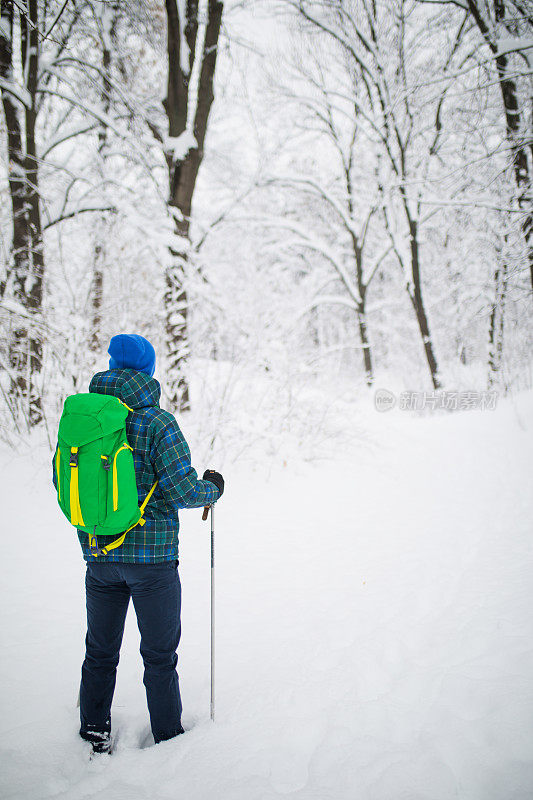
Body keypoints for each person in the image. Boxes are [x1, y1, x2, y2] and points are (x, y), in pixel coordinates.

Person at [70, 333, 224, 754]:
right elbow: (181, 491)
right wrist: (212, 489)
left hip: (98, 554)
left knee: (100, 650)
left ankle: (94, 731)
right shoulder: (158, 422)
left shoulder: (83, 418)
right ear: (149, 371)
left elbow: (63, 482)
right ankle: (168, 740)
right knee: (159, 655)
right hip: (152, 562)